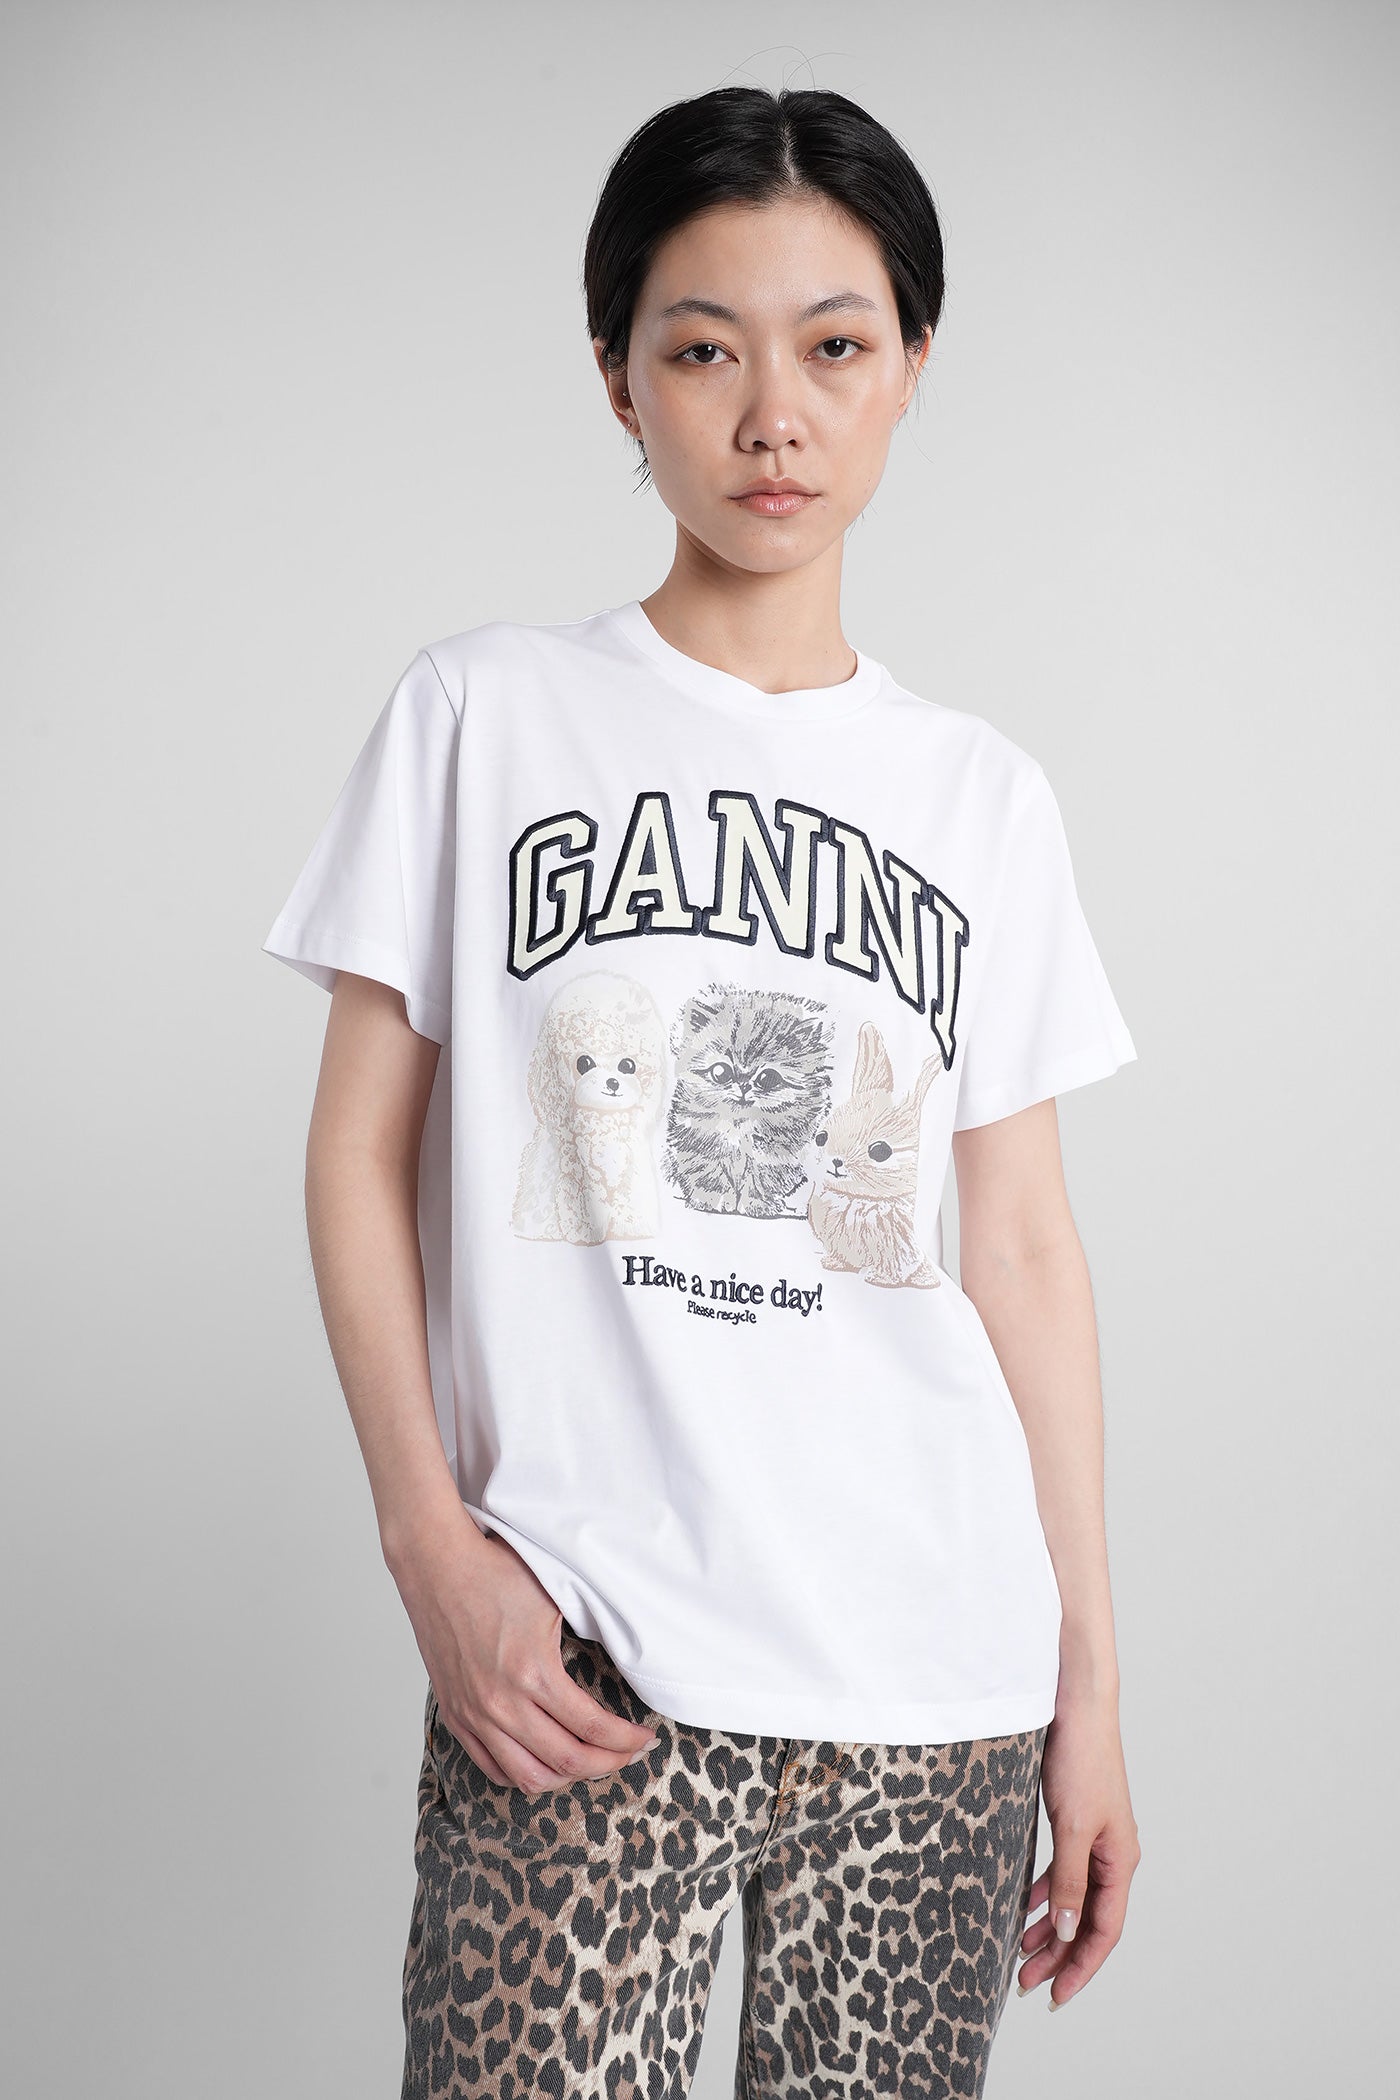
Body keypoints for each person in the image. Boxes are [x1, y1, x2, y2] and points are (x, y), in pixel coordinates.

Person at [262, 83, 1142, 2100]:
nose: (773, 417)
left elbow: (1019, 1250)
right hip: (582, 1658)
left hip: (937, 1681)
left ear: (910, 370)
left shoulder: (983, 799)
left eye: (834, 346)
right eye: (702, 351)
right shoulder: (484, 714)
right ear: (617, 380)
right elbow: (355, 1156)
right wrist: (428, 1547)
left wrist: (1088, 1683)